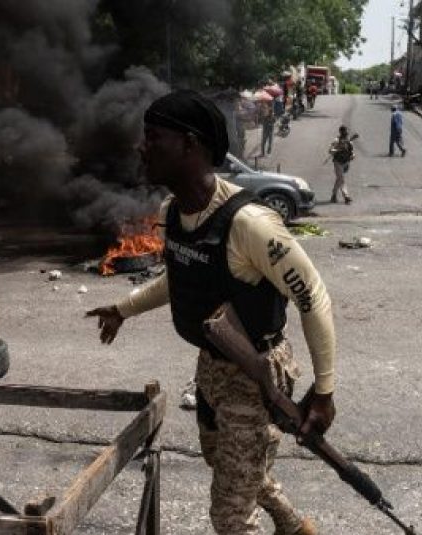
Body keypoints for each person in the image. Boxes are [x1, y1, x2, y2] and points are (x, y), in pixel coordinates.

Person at [87, 90, 337, 535]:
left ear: (189, 144)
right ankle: (296, 527)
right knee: (226, 462)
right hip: (213, 367)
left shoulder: (250, 225)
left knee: (229, 516)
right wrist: (124, 309)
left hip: (256, 373)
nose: (142, 147)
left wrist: (324, 389)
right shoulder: (176, 212)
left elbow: (312, 296)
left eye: (153, 137)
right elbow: (182, 278)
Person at [328, 126, 354, 204]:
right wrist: (337, 150)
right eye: (344, 132)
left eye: (346, 132)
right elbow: (330, 150)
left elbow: (351, 151)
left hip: (346, 162)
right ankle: (346, 196)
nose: (345, 133)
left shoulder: (349, 141)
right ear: (341, 132)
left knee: (339, 179)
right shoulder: (336, 140)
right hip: (338, 162)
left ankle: (333, 195)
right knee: (341, 179)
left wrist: (352, 155)